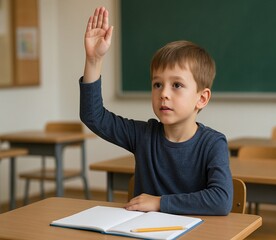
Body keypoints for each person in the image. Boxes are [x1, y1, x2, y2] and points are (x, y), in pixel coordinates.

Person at [80, 6, 233, 215]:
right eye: (157, 85)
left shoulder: (213, 143)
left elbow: (221, 200)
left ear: (202, 98)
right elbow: (93, 116)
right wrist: (93, 61)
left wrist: (160, 203)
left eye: (177, 85)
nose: (164, 94)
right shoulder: (143, 135)